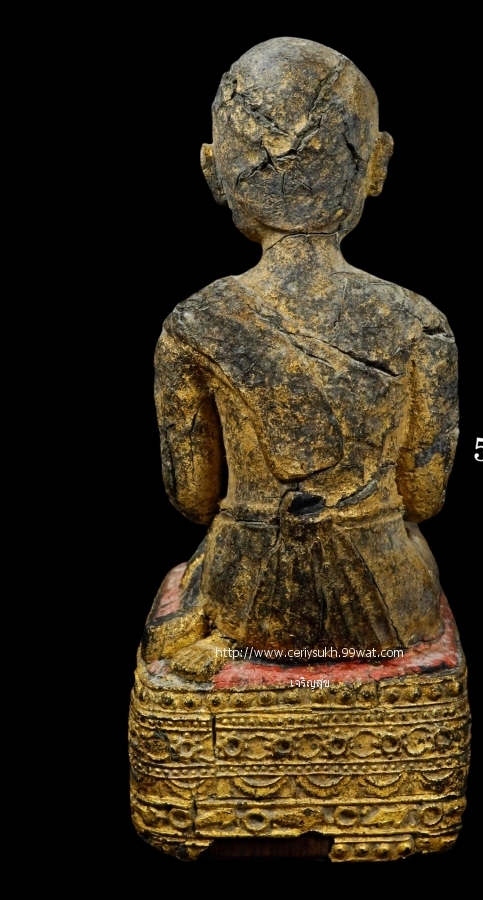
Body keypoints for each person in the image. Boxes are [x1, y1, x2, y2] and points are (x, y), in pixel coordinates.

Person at [142, 37, 458, 681]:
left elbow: (194, 497)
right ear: (377, 164)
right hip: (390, 603)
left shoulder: (195, 324)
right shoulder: (419, 323)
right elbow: (423, 497)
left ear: (213, 171)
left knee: (184, 610)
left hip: (245, 599)